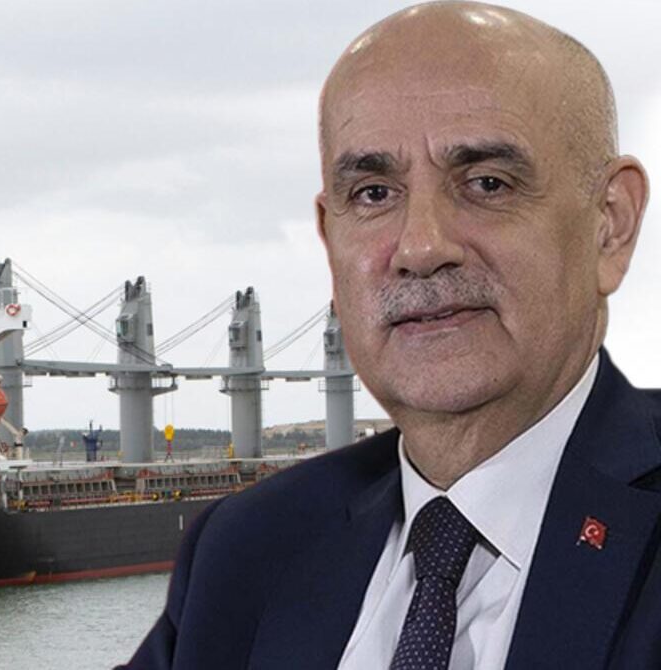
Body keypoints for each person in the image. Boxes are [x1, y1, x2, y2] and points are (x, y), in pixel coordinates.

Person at [123, 3, 654, 668]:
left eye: (487, 183)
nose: (420, 248)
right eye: (374, 194)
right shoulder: (244, 548)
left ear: (611, 224)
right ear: (330, 239)